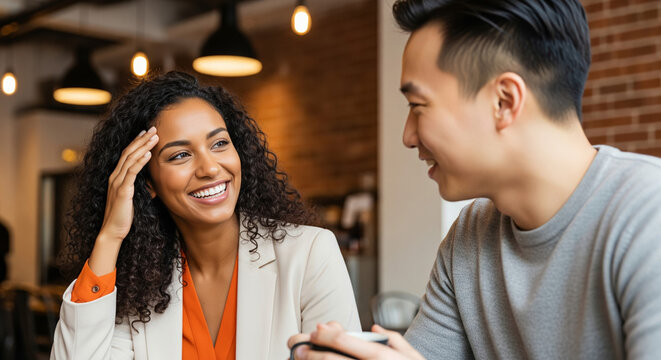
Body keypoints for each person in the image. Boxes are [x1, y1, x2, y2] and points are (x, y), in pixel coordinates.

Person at [288, 0, 661, 358]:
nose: (408, 136)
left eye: (418, 107)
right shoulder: (471, 235)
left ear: (504, 101)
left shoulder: (647, 218)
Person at [51, 71, 360, 360]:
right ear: (146, 182)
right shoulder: (139, 284)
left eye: (219, 143)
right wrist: (110, 236)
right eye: (180, 155)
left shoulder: (309, 254)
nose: (210, 168)